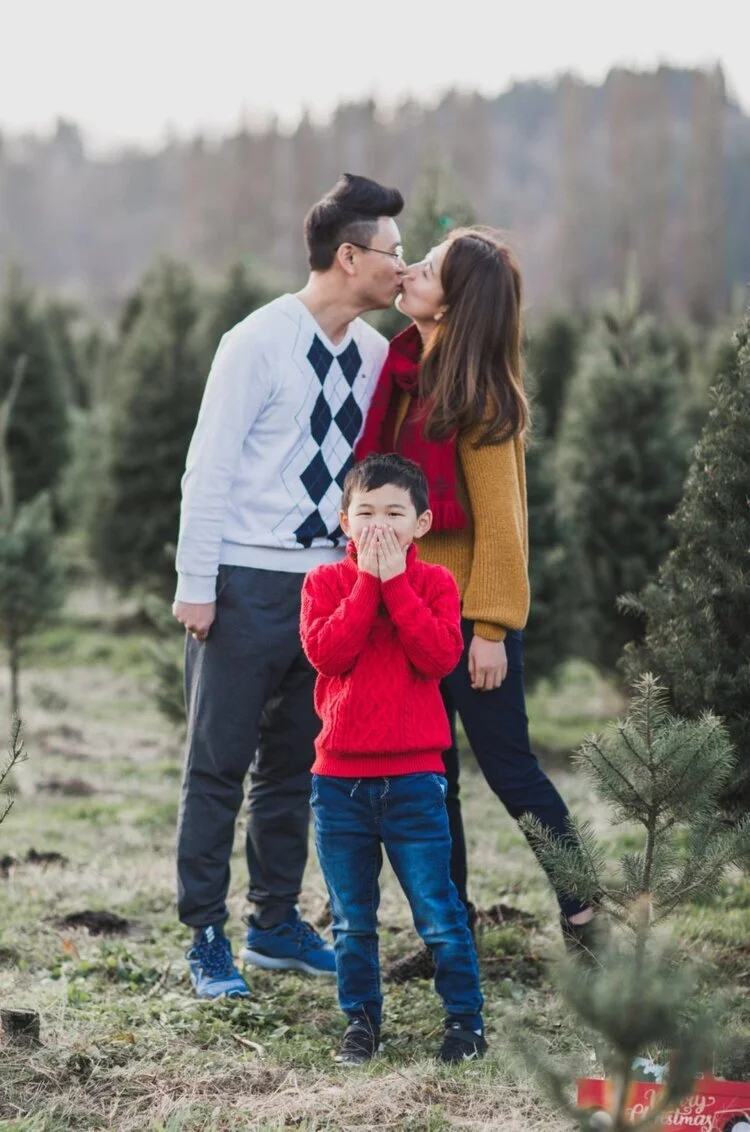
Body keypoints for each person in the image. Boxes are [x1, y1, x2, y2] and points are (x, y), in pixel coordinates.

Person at [172, 173, 406, 999]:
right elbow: (208, 468)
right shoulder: (256, 342)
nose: (403, 266)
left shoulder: (374, 355)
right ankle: (205, 933)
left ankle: (273, 925)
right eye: (393, 251)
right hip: (243, 582)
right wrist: (196, 582)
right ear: (349, 257)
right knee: (217, 765)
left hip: (327, 591)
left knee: (294, 770)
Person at [355, 227, 598, 978]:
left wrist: (490, 628)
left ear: (454, 306)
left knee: (511, 771)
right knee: (432, 780)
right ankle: (448, 936)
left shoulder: (481, 399)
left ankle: (586, 917)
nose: (411, 271)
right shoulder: (403, 373)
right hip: (409, 611)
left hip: (467, 620)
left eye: (428, 270)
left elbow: (502, 527)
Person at [300, 452, 487, 1065]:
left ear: (421, 523)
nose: (379, 525)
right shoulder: (323, 583)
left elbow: (438, 657)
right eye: (366, 513)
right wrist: (366, 584)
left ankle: (465, 1023)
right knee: (352, 919)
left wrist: (396, 585)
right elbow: (329, 654)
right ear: (344, 521)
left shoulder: (436, 584)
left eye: (394, 513)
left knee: (437, 912)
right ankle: (361, 1024)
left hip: (414, 780)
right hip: (340, 784)